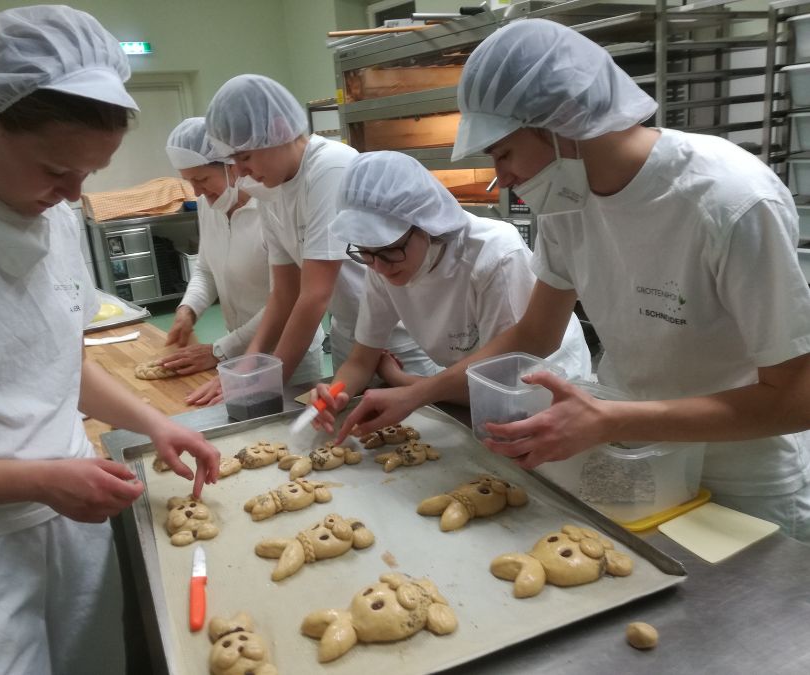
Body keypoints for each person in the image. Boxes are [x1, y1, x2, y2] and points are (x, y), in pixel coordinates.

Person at [337, 18, 810, 541]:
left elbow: (796, 397)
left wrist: (616, 420)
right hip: (641, 462)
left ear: (562, 122)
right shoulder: (568, 200)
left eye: (503, 153)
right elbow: (532, 335)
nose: (504, 176)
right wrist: (418, 394)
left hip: (742, 476)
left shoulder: (729, 203)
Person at [0, 7, 221, 673]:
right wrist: (37, 479)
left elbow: (58, 365)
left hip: (76, 524)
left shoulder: (54, 218)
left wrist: (152, 425)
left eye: (90, 173)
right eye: (56, 168)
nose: (73, 194)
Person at [311, 151, 591, 432]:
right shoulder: (381, 264)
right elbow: (361, 360)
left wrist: (403, 383)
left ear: (424, 223)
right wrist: (334, 393)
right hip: (473, 388)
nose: (379, 267)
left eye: (389, 250)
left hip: (544, 389)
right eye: (365, 253)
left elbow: (501, 382)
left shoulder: (494, 255)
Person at [203, 74, 436, 403]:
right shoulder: (271, 190)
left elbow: (315, 295)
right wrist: (250, 367)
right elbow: (284, 294)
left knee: (417, 437)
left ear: (280, 130)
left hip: (396, 339)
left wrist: (265, 388)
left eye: (245, 157)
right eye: (234, 161)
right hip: (349, 338)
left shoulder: (330, 167)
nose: (240, 172)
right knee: (353, 436)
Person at [160, 117, 324, 406]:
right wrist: (189, 309)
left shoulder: (270, 207)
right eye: (189, 182)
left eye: (201, 180)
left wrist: (220, 351)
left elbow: (287, 298)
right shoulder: (208, 205)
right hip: (236, 355)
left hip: (286, 354)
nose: (197, 192)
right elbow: (206, 269)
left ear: (230, 166)